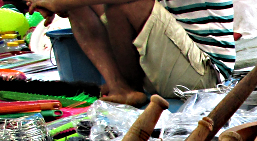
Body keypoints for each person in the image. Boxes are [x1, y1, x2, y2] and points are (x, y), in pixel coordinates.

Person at [26, 0, 236, 106]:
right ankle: (121, 88)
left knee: (129, 4)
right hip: (175, 64)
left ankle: (130, 87)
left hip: (205, 73)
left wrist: (56, 3)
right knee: (78, 5)